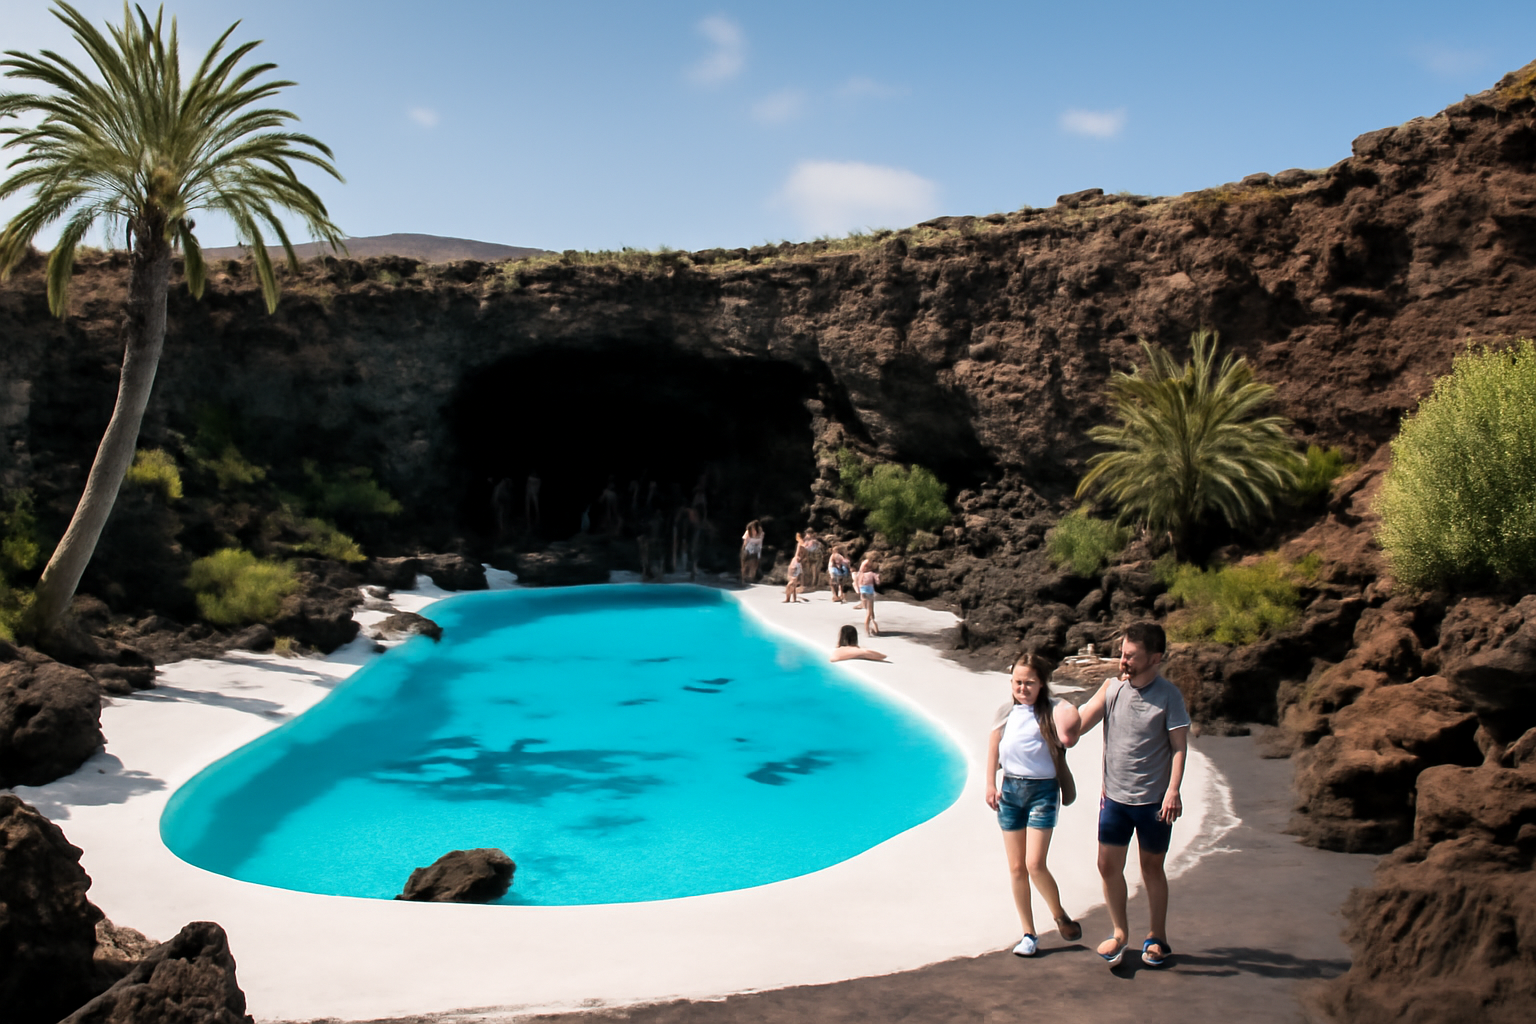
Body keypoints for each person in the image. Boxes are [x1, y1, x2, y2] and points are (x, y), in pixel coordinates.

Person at [1075, 621, 1190, 970]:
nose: (1123, 660)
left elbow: (1179, 748)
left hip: (1154, 802)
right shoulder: (1112, 689)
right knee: (1107, 865)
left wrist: (1173, 790)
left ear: (1155, 657)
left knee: (1150, 868)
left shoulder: (1169, 696)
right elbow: (1077, 726)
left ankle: (1157, 937)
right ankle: (1120, 933)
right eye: (1122, 654)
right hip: (1114, 799)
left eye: (1131, 656)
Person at [985, 649, 1083, 957]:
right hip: (1010, 791)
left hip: (1042, 792)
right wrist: (990, 783)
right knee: (1016, 868)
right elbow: (993, 749)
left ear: (1041, 684)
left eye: (1029, 683)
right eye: (1017, 682)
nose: (1022, 688)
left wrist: (1061, 702)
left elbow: (1073, 718)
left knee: (1034, 864)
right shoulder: (1005, 712)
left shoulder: (1052, 710)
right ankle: (1028, 933)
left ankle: (1057, 912)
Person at [856, 558, 880, 635]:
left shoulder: (860, 574)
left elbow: (857, 583)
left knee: (868, 610)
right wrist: (878, 577)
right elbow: (878, 582)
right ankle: (868, 629)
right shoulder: (872, 574)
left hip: (863, 593)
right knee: (869, 611)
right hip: (869, 593)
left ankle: (874, 628)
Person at [740, 520, 765, 584]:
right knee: (745, 564)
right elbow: (745, 542)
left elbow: (759, 542)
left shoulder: (760, 532)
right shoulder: (748, 532)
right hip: (748, 549)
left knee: (754, 564)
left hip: (756, 550)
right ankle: (743, 578)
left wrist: (750, 540)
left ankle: (751, 578)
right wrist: (743, 550)